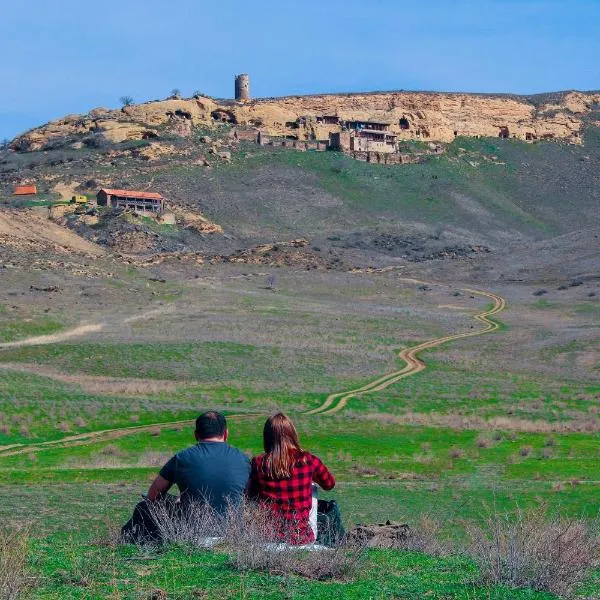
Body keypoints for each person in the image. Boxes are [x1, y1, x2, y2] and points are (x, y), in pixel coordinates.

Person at [121, 411, 250, 543]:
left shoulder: (182, 458)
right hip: (233, 535)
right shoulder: (243, 459)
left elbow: (153, 495)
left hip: (192, 534)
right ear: (226, 433)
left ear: (196, 435)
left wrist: (181, 500)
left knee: (143, 507)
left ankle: (132, 543)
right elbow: (248, 496)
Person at [247, 412, 335, 545]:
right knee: (312, 487)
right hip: (300, 536)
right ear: (292, 434)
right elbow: (329, 484)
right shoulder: (308, 460)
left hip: (268, 537)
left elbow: (250, 495)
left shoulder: (258, 463)